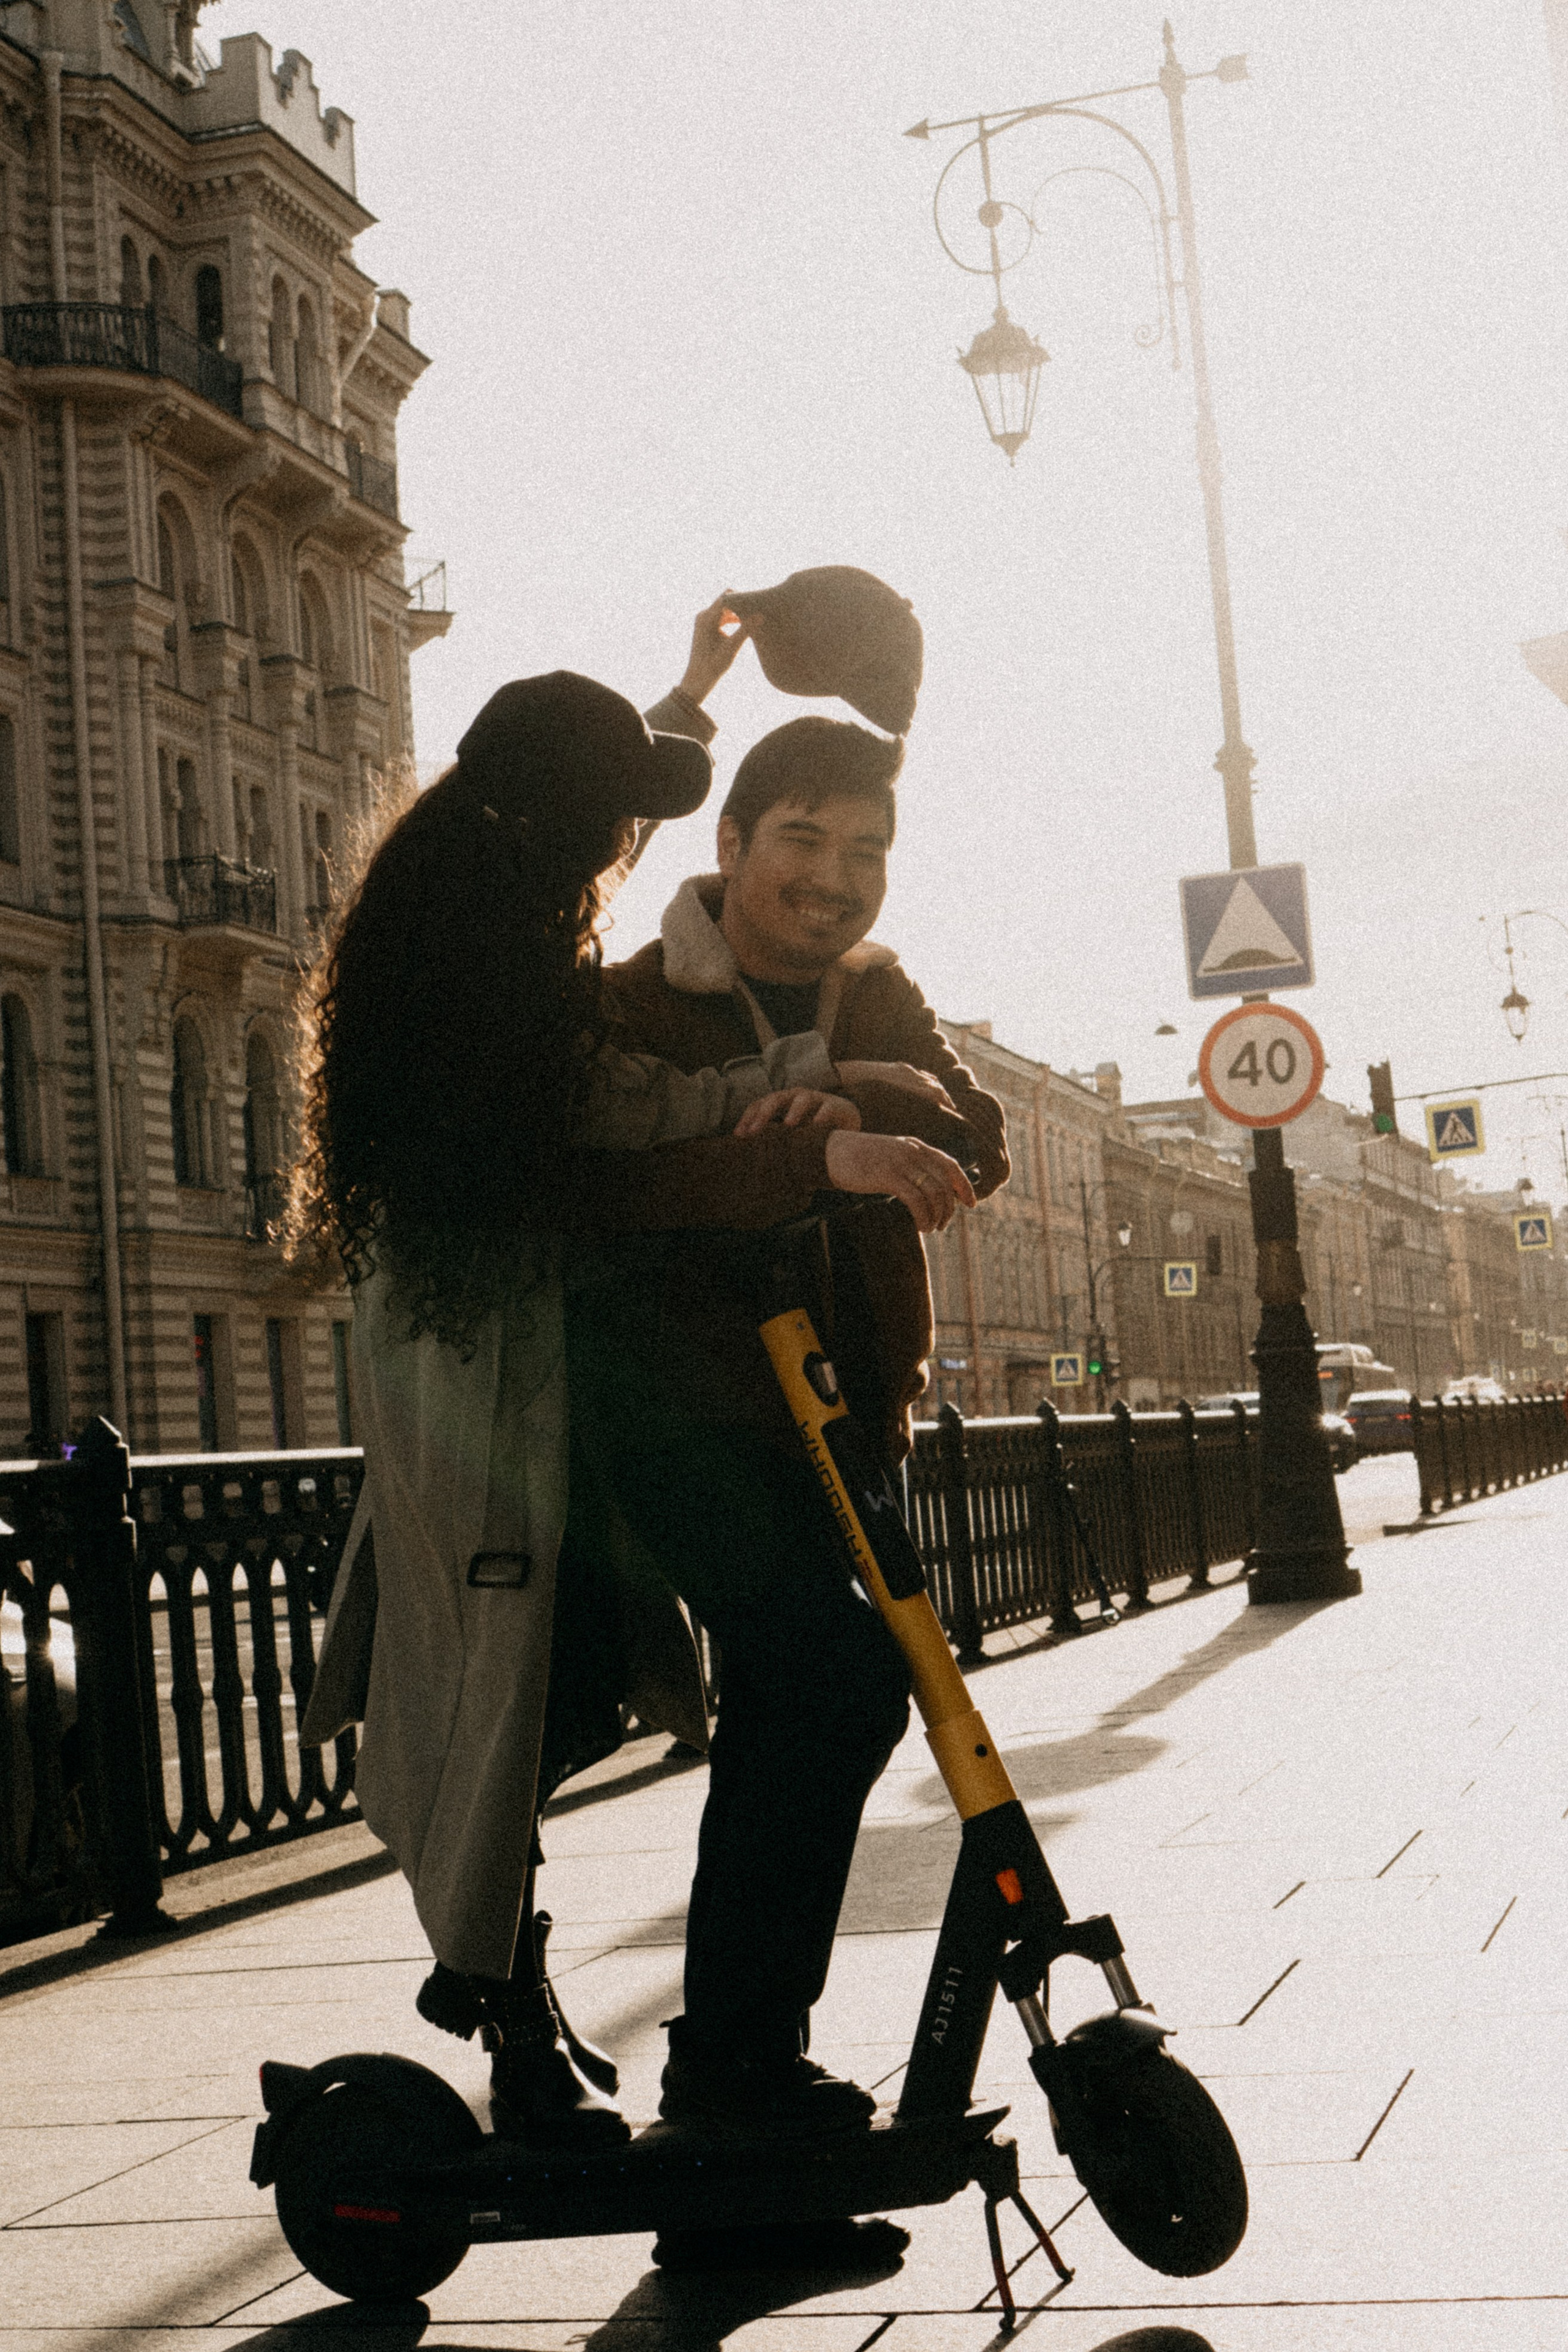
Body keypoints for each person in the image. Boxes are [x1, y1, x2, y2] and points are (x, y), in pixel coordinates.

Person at [293, 669, 975, 2157]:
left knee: (566, 1701)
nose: (624, 842)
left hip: (562, 1401)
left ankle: (550, 2011)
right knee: (577, 1702)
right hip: (511, 1411)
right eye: (616, 817)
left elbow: (633, 1103)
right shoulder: (478, 978)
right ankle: (661, 2046)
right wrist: (821, 1146)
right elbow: (595, 1166)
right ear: (565, 827)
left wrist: (825, 1079)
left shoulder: (502, 943)